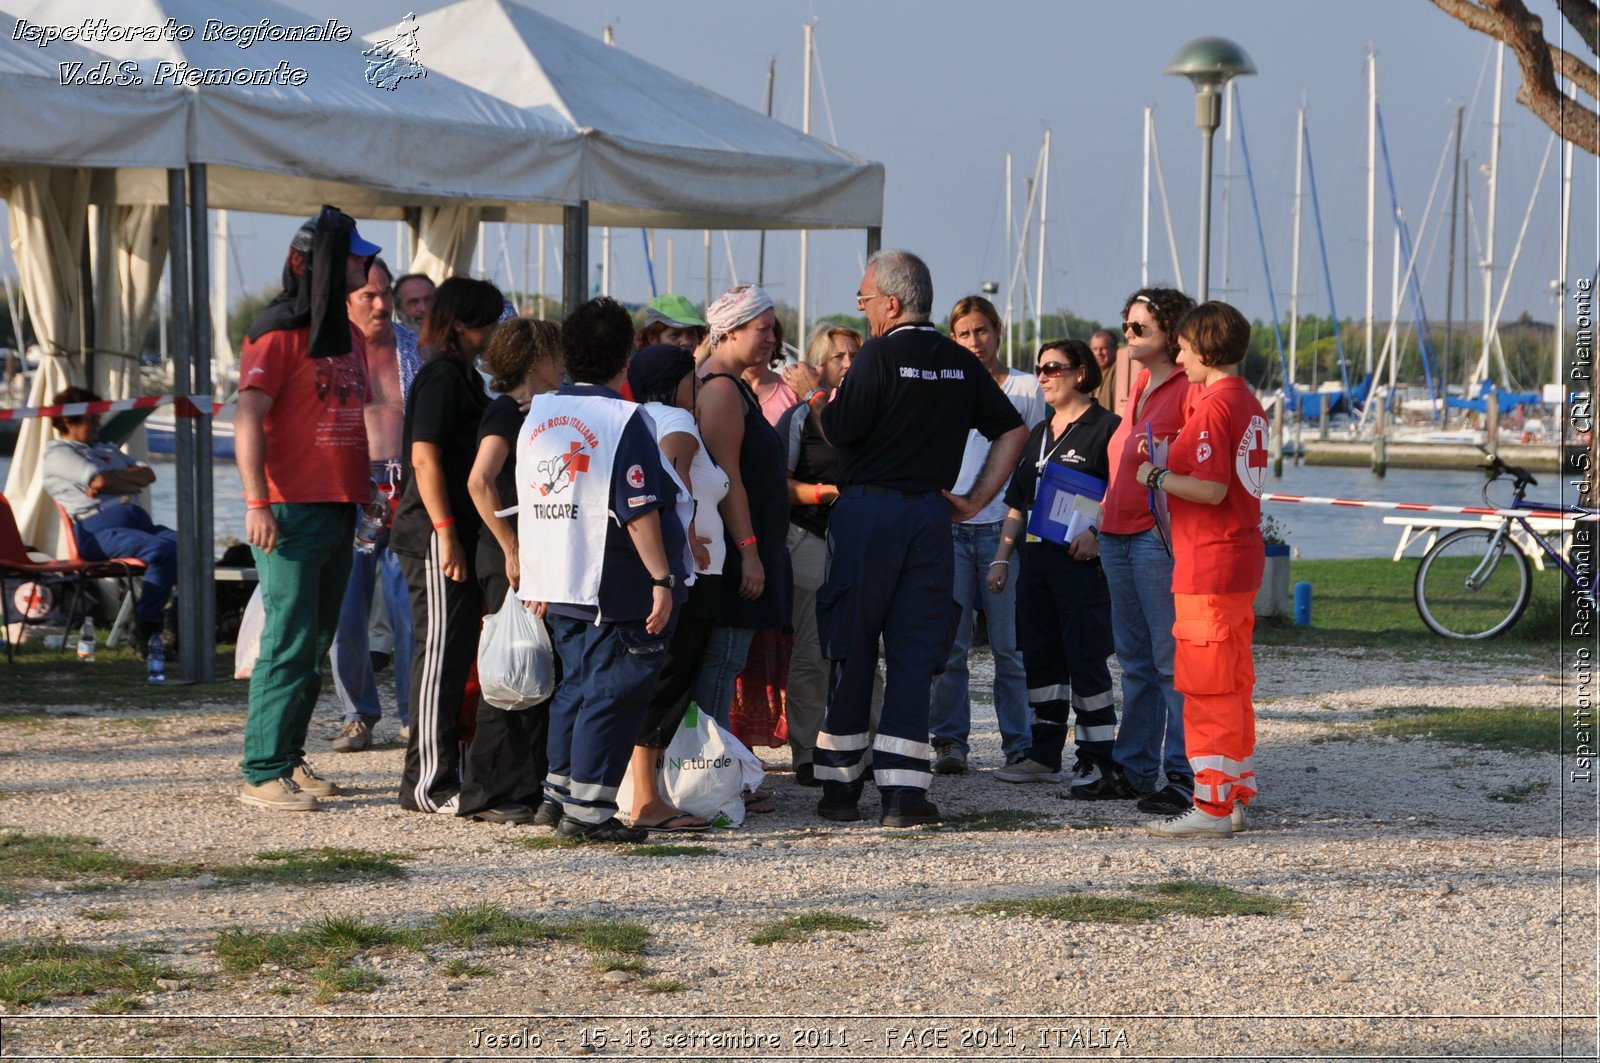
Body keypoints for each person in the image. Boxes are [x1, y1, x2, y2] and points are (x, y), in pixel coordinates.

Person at [810, 249, 1028, 828]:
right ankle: (904, 796)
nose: (861, 309)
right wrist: (979, 500)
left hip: (867, 515)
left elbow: (839, 430)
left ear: (891, 302)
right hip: (931, 519)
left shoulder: (877, 355)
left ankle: (840, 788)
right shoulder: (960, 362)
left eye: (864, 299)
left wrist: (817, 396)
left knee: (852, 646)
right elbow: (1014, 430)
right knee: (915, 654)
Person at [518, 296, 693, 842]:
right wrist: (662, 580)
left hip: (559, 575)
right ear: (626, 355)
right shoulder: (623, 419)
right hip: (611, 582)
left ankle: (559, 794)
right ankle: (590, 813)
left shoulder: (541, 412)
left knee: (574, 689)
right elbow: (638, 509)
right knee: (612, 691)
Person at [234, 206, 380, 811]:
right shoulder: (276, 331)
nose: (367, 267)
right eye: (355, 257)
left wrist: (369, 491)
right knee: (288, 640)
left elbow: (353, 416)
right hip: (289, 510)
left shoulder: (342, 333)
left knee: (315, 639)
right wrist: (256, 500)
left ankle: (288, 758)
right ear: (323, 263)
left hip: (340, 507)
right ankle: (262, 772)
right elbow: (247, 412)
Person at [1137, 301, 1268, 838]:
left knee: (1207, 686)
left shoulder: (1216, 406)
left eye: (1186, 346)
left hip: (1208, 563)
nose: (1179, 354)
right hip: (1238, 560)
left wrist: (1156, 475)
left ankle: (1211, 804)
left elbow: (1211, 489)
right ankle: (1232, 792)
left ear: (1207, 349)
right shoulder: (1245, 400)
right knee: (1233, 683)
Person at [389, 276, 503, 820]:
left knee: (457, 654)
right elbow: (424, 459)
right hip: (435, 536)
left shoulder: (463, 378)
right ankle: (425, 783)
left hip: (451, 534)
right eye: (489, 321)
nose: (496, 331)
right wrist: (447, 532)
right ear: (462, 324)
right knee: (437, 655)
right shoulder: (439, 377)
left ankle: (446, 769)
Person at [988, 340, 1120, 790]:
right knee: (1041, 660)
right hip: (1036, 563)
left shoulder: (1107, 428)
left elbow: (1122, 496)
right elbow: (1016, 505)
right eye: (1038, 369)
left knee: (1084, 659)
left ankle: (1097, 758)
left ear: (1080, 373)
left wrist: (1097, 533)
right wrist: (1001, 559)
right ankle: (1043, 755)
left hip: (1080, 566)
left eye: (1052, 368)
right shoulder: (1039, 433)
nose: (1042, 376)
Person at [928, 296, 1044, 776]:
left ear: (997, 331)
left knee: (1008, 647)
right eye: (963, 334)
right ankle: (950, 742)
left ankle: (1019, 743)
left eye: (981, 331)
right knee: (949, 646)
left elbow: (1038, 457)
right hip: (952, 529)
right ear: (952, 338)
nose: (974, 342)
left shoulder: (1025, 387)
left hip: (1003, 531)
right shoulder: (945, 385)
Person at [1100, 287, 1198, 815]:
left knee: (1168, 661)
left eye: (1141, 329)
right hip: (1116, 532)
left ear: (1171, 334)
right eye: (1127, 326)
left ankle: (1183, 774)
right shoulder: (1138, 382)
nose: (1129, 336)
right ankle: (1136, 768)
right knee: (1134, 660)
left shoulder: (1187, 388)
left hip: (1153, 538)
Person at [464, 317, 566, 825]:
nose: (563, 364)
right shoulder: (506, 411)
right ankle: (488, 791)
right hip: (510, 555)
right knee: (511, 666)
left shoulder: (537, 411)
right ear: (535, 359)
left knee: (535, 665)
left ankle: (524, 785)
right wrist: (511, 547)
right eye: (556, 354)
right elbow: (480, 480)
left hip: (529, 551)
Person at [622, 343, 726, 831]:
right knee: (669, 680)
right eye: (694, 377)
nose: (700, 386)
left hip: (646, 567)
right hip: (681, 573)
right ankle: (648, 799)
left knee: (647, 678)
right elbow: (669, 486)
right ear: (675, 382)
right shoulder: (678, 423)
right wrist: (690, 544)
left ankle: (641, 792)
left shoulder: (634, 414)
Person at [776, 324, 881, 786]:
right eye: (838, 355)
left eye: (855, 354)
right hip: (811, 539)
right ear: (818, 364)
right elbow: (777, 487)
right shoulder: (799, 417)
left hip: (864, 543)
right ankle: (805, 750)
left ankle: (873, 746)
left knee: (865, 650)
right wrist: (827, 493)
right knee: (813, 654)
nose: (849, 363)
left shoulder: (873, 413)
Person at [691, 285, 793, 739]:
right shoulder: (721, 391)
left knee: (727, 658)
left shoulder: (731, 386)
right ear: (729, 332)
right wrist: (749, 551)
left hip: (743, 544)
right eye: (763, 328)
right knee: (723, 659)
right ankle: (702, 767)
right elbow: (725, 479)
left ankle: (713, 763)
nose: (772, 337)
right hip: (733, 551)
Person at [326, 258, 414, 754]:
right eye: (368, 296)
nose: (382, 304)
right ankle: (356, 713)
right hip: (354, 490)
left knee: (411, 607)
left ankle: (413, 714)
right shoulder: (333, 353)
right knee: (347, 606)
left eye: (385, 293)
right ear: (346, 303)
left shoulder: (414, 348)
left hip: (409, 484)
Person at [41, 387, 172, 653]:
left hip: (138, 525)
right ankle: (146, 628)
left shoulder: (106, 449)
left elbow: (148, 475)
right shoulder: (58, 453)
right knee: (161, 551)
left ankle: (178, 627)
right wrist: (120, 481)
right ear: (69, 420)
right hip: (98, 531)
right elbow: (99, 480)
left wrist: (112, 481)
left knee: (191, 546)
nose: (99, 423)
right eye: (93, 418)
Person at [634, 293, 708, 352]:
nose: (686, 342)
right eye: (675, 335)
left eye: (691, 334)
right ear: (653, 339)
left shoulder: (693, 369)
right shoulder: (646, 370)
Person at [1089, 328, 1123, 413]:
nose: (1098, 353)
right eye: (1095, 349)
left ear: (1116, 350)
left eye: (1103, 348)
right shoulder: (1088, 374)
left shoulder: (1121, 372)